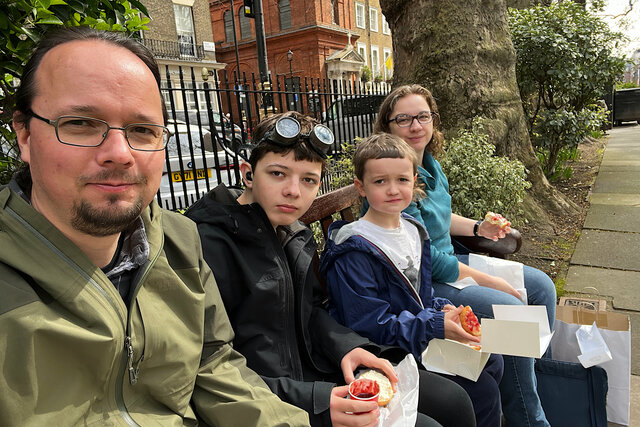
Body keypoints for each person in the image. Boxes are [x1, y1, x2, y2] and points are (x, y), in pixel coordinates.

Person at [0, 27, 310, 426]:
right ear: (25, 135)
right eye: (81, 123)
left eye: (142, 131)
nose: (119, 153)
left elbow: (213, 363)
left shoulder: (180, 241)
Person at [185, 111, 476, 427]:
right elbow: (212, 365)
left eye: (308, 179)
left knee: (454, 401)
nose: (294, 191)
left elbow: (311, 312)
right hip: (269, 398)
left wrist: (348, 348)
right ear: (248, 173)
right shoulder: (208, 245)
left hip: (315, 372)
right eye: (278, 174)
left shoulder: (290, 231)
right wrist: (316, 402)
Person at [371, 84, 557, 426]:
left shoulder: (428, 164)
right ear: (388, 126)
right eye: (404, 119)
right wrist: (492, 280)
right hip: (429, 280)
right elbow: (428, 260)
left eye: (423, 116)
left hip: (453, 263)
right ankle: (527, 416)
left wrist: (477, 229)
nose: (416, 126)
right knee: (512, 313)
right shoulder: (396, 176)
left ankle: (530, 386)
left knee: (543, 286)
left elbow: (441, 219)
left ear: (433, 120)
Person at [320, 133, 504, 427]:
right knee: (479, 391)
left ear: (414, 181)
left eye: (402, 180)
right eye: (380, 182)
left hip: (413, 334)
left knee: (493, 360)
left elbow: (421, 294)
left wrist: (442, 309)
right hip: (383, 352)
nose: (393, 190)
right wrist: (433, 325)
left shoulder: (414, 229)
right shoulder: (354, 248)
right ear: (361, 188)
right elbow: (367, 323)